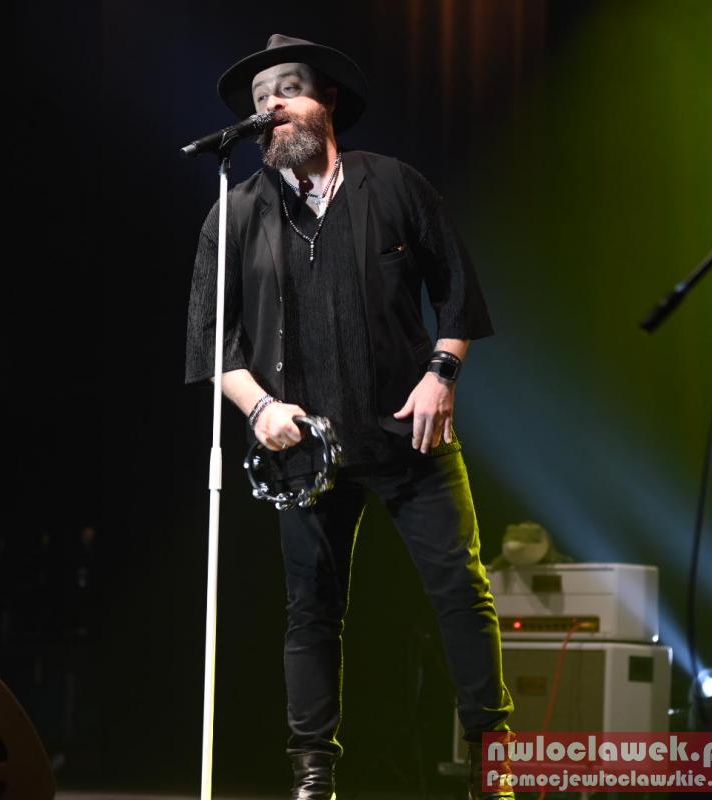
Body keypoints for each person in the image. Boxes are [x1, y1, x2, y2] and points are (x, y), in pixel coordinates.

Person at [185, 34, 512, 800]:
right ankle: (313, 774)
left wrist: (441, 374)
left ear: (326, 99)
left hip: (409, 435)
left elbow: (457, 292)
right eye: (260, 97)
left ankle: (494, 764)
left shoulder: (391, 183)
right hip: (306, 450)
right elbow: (211, 341)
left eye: (287, 89)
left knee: (461, 591)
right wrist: (260, 406)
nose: (271, 105)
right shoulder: (236, 213)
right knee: (312, 611)